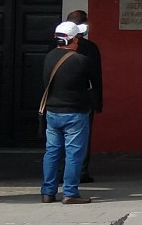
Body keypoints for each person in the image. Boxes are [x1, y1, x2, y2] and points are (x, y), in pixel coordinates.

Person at [39, 21, 102, 204]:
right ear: (72, 39)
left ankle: (48, 191)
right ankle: (70, 192)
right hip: (75, 112)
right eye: (77, 38)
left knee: (52, 152)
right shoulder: (81, 60)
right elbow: (92, 84)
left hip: (52, 111)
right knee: (74, 154)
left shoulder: (49, 56)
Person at [65, 9, 103, 184]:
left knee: (55, 143)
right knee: (81, 140)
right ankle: (81, 172)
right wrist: (98, 102)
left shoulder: (53, 47)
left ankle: (58, 174)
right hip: (83, 100)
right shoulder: (90, 48)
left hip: (56, 101)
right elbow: (96, 77)